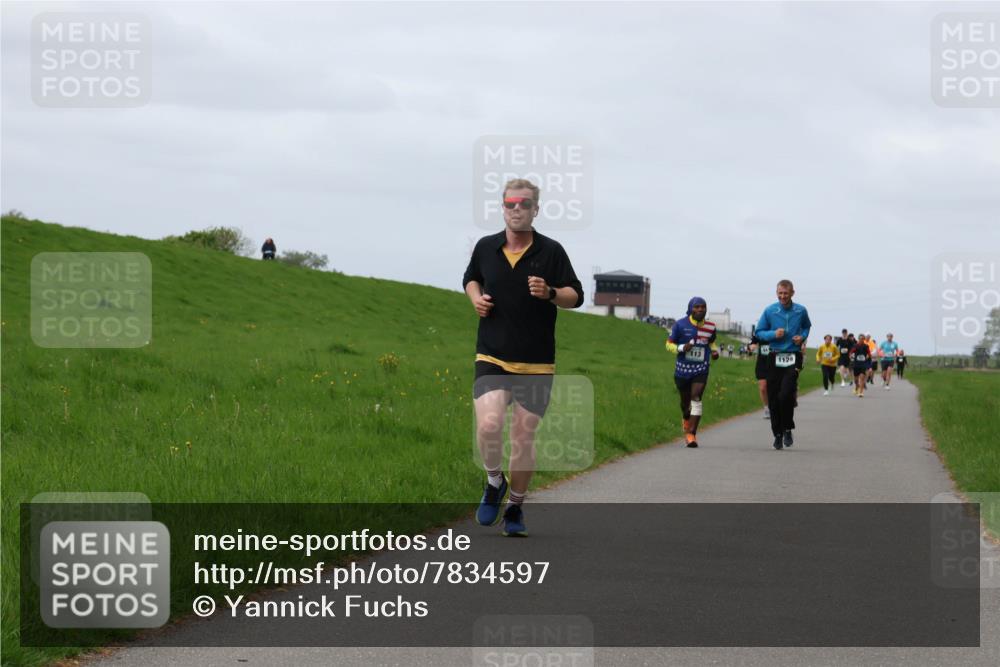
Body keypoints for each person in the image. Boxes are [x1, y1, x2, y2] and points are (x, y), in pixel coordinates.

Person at [463, 178, 584, 537]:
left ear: (535, 209)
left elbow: (575, 296)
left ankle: (515, 508)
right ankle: (493, 481)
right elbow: (471, 279)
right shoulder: (486, 247)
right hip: (493, 355)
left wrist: (549, 292)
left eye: (525, 204)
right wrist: (475, 298)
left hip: (536, 362)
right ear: (503, 207)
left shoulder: (551, 251)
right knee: (487, 426)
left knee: (523, 435)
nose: (517, 209)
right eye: (511, 204)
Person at [755, 280, 811, 450]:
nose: (782, 296)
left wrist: (802, 337)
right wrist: (773, 334)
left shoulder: (800, 310)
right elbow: (759, 333)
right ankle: (777, 434)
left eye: (785, 293)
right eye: (780, 293)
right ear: (776, 293)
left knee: (785, 395)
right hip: (774, 356)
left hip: (793, 356)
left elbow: (807, 326)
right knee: (773, 398)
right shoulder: (770, 310)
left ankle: (787, 428)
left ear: (792, 293)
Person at [666, 297, 720, 448]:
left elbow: (711, 342)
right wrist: (683, 348)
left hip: (701, 368)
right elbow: (668, 344)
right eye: (697, 307)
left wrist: (715, 351)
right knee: (685, 403)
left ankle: (691, 434)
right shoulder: (680, 325)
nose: (700, 310)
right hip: (682, 370)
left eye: (703, 307)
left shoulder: (710, 327)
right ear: (691, 308)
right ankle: (685, 417)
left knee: (696, 397)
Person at [748, 332, 770, 420]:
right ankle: (766, 409)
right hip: (762, 363)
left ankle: (775, 407)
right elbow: (752, 343)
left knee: (774, 387)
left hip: (775, 363)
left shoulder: (778, 327)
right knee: (763, 387)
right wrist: (751, 346)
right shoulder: (760, 331)